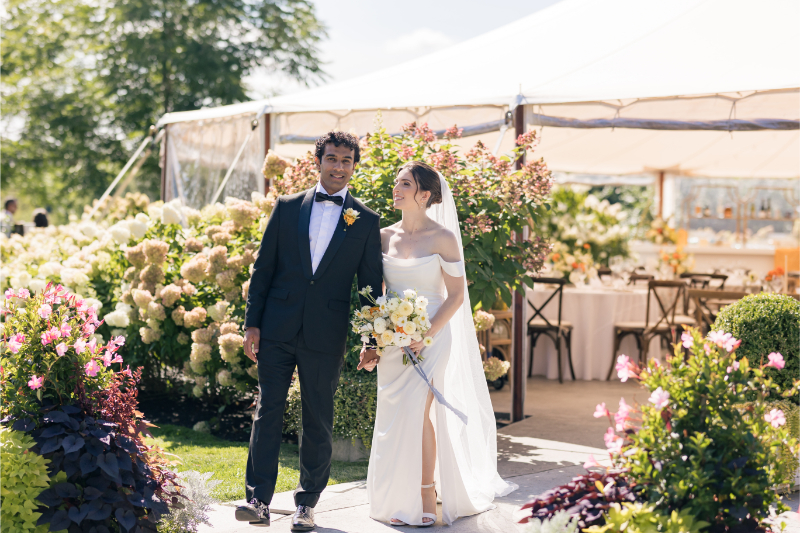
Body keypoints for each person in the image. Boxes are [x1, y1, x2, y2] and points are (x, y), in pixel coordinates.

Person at [237, 131, 383, 531]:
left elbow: (369, 288)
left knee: (318, 417)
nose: (338, 166)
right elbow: (263, 269)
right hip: (277, 328)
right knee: (267, 411)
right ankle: (258, 501)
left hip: (326, 333)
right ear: (318, 160)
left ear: (355, 165)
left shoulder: (366, 221)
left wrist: (372, 340)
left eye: (346, 160)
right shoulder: (286, 208)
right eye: (332, 158)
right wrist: (252, 323)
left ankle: (307, 504)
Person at [360, 161, 516, 526]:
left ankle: (425, 496)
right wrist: (375, 340)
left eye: (405, 183)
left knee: (419, 413)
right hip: (392, 337)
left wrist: (424, 334)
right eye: (396, 182)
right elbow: (376, 296)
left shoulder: (443, 237)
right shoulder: (382, 237)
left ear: (425, 194)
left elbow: (456, 296)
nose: (396, 188)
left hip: (432, 335)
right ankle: (391, 497)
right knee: (393, 415)